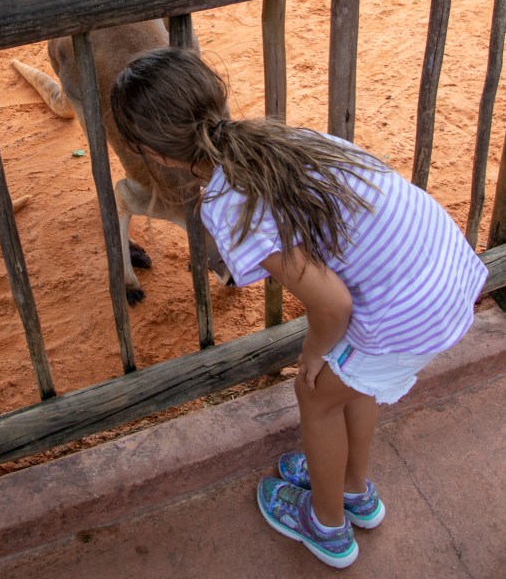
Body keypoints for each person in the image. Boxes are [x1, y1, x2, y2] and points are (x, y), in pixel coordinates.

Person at [110, 46, 488, 570]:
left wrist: (315, 351)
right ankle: (355, 490)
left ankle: (327, 526)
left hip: (408, 312)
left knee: (314, 392)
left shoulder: (228, 202)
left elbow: (331, 303)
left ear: (155, 153)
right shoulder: (280, 137)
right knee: (351, 383)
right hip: (443, 269)